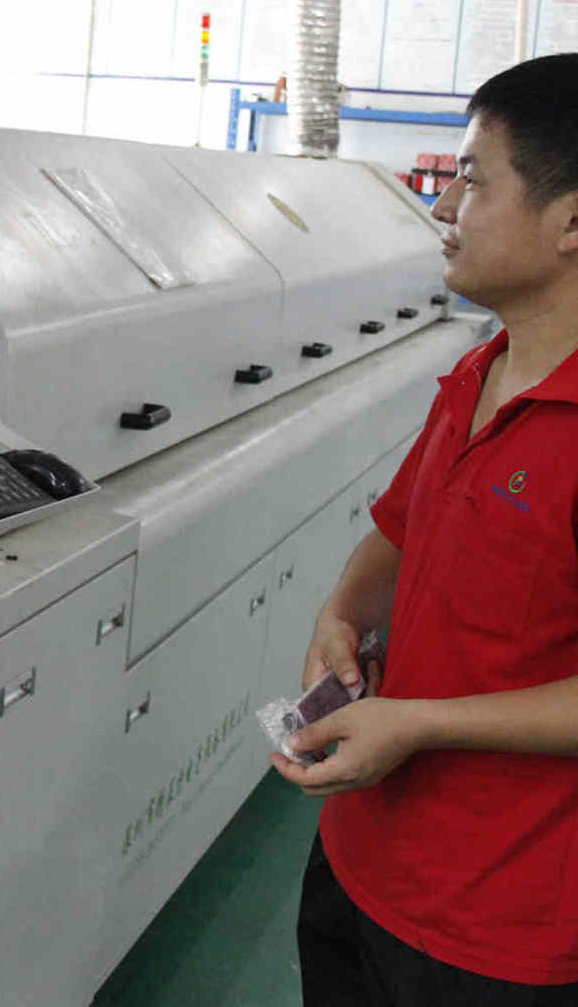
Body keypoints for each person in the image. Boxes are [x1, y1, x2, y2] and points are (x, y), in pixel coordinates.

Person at [272, 52, 578, 1005]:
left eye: (472, 182)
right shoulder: (479, 374)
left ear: (573, 220)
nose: (443, 209)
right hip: (365, 859)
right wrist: (339, 611)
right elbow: (399, 533)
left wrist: (419, 723)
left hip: (501, 928)